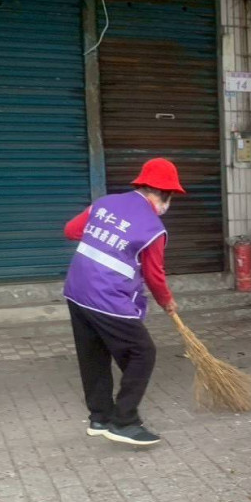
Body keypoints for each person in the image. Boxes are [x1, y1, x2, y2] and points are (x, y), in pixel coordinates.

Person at [62, 158, 184, 447]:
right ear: (166, 194)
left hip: (76, 291)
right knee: (143, 352)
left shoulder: (105, 203)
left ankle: (100, 418)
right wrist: (167, 301)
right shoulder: (153, 228)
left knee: (94, 354)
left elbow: (71, 230)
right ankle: (124, 421)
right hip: (107, 298)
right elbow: (155, 276)